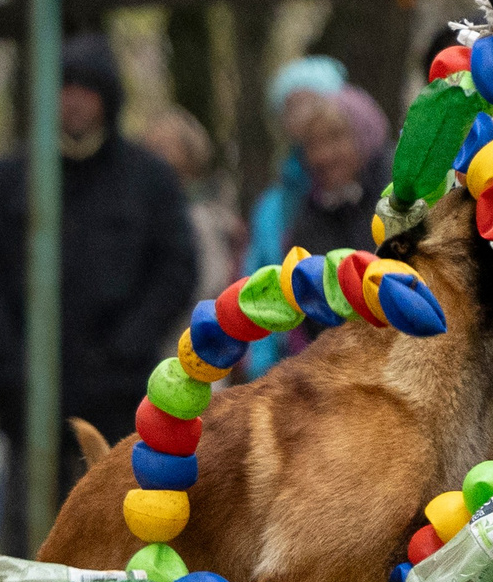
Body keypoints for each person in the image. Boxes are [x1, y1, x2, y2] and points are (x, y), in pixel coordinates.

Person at [0, 32, 197, 553]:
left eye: (87, 88)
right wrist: (11, 355)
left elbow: (176, 270)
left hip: (119, 390)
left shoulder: (148, 181)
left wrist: (128, 346)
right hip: (29, 391)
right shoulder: (14, 178)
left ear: (107, 98)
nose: (74, 100)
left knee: (121, 522)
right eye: (64, 87)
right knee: (31, 532)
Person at [240, 56, 348, 376]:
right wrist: (260, 364)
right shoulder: (273, 205)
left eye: (312, 102)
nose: (302, 115)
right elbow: (257, 277)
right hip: (287, 361)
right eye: (291, 107)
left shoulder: (359, 189)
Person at [265, 92, 392, 355]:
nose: (323, 155)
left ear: (364, 136)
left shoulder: (400, 196)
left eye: (336, 138)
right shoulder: (307, 220)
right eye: (313, 144)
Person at [139, 105, 248, 303]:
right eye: (150, 148)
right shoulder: (143, 212)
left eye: (163, 147)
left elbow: (212, 284)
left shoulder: (201, 216)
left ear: (189, 153)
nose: (154, 157)